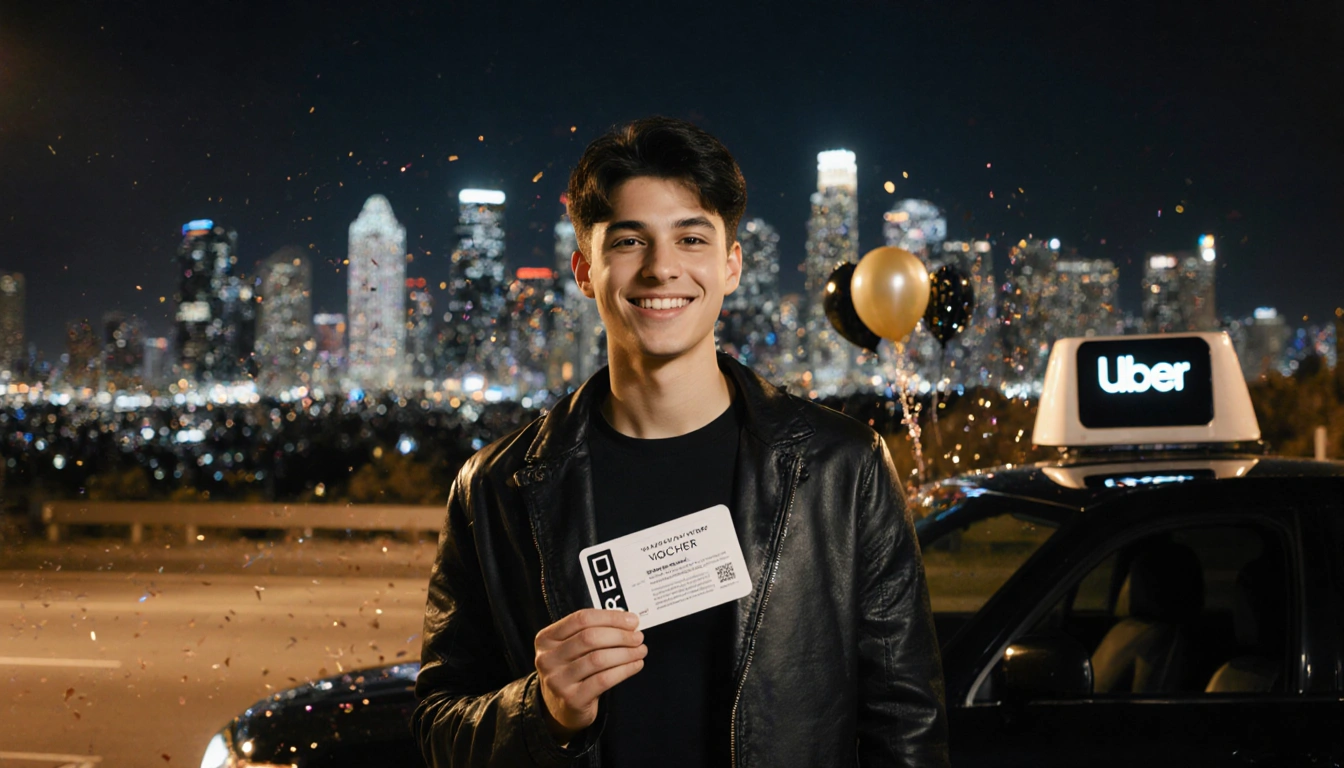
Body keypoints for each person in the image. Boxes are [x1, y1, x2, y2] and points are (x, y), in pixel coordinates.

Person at [412, 116, 948, 767]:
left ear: (730, 267)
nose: (663, 268)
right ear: (585, 270)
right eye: (630, 241)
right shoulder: (495, 488)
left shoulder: (843, 467)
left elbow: (904, 724)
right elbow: (438, 726)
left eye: (690, 238)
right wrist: (543, 708)